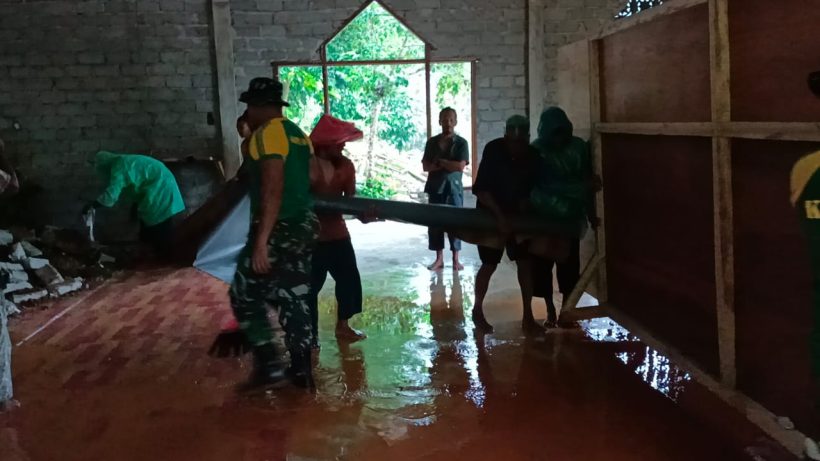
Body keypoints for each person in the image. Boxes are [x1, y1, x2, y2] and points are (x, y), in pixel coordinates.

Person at [229, 77, 318, 391]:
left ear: (256, 107)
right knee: (295, 297)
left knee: (242, 293)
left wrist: (261, 241)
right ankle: (302, 371)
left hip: (278, 227)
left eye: (249, 107)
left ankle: (269, 365)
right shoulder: (298, 133)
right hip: (303, 225)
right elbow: (314, 176)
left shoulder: (266, 134)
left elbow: (272, 186)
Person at [471, 115, 541, 333]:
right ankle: (477, 310)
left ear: (528, 139)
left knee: (525, 263)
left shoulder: (533, 156)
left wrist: (526, 207)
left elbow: (536, 189)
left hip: (518, 217)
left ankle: (528, 317)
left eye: (521, 143)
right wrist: (500, 218)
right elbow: (482, 190)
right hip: (490, 215)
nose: (516, 147)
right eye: (512, 142)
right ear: (505, 137)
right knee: (489, 264)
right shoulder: (493, 150)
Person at [529, 107, 597, 327]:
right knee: (543, 266)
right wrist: (580, 188)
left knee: (569, 267)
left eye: (561, 132)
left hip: (568, 220)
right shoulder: (537, 150)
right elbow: (543, 185)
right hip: (544, 219)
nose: (558, 138)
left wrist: (590, 211)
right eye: (554, 133)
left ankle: (567, 311)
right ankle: (550, 309)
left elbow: (587, 178)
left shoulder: (578, 148)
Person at [308, 114, 370, 346]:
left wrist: (364, 214)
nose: (343, 146)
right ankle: (310, 335)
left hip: (338, 234)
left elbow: (351, 201)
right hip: (311, 237)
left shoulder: (346, 166)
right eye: (338, 143)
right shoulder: (307, 165)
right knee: (308, 287)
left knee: (349, 280)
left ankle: (343, 326)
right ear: (325, 145)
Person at [84, 151, 185, 254]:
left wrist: (93, 205)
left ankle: (161, 256)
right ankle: (155, 254)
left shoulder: (119, 167)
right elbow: (139, 182)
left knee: (157, 226)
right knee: (154, 223)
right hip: (161, 186)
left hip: (160, 189)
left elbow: (111, 194)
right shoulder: (123, 162)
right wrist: (135, 207)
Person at [422, 107, 470, 271]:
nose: (448, 123)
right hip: (435, 188)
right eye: (444, 119)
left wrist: (441, 162)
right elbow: (426, 166)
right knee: (435, 224)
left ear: (455, 122)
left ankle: (456, 259)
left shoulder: (461, 143)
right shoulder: (432, 142)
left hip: (453, 189)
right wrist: (448, 164)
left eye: (450, 120)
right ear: (439, 121)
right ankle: (439, 259)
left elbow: (460, 166)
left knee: (455, 224)